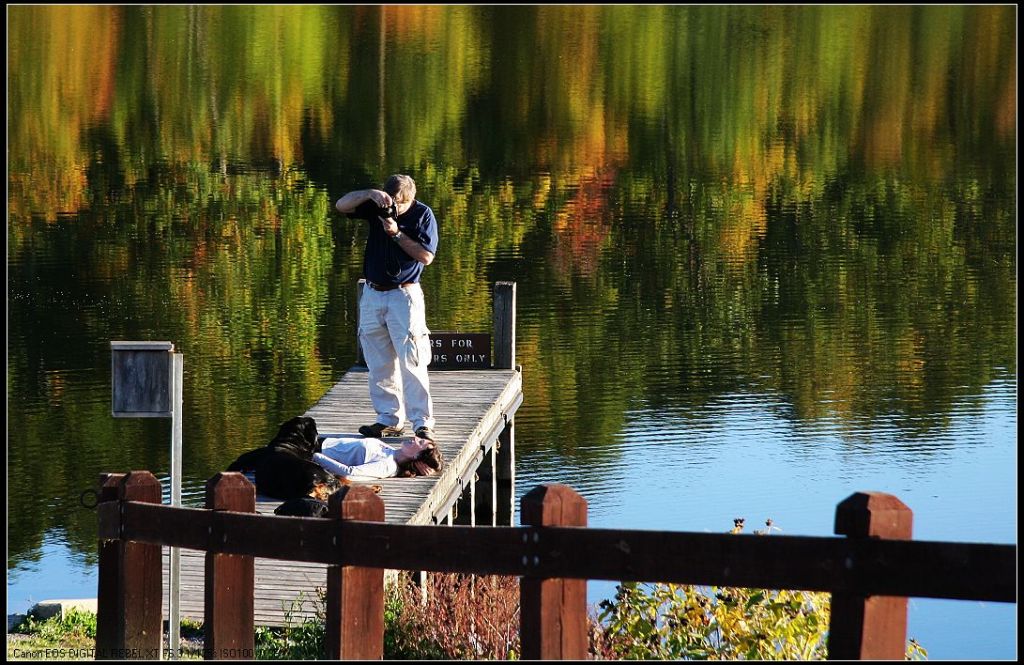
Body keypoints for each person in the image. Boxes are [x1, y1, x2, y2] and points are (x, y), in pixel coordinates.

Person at [335, 174, 438, 442]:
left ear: (410, 200)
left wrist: (396, 233)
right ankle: (388, 419)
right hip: (373, 293)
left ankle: (422, 423)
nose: (393, 209)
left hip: (404, 295)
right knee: (378, 361)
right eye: (391, 202)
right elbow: (341, 205)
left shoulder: (422, 215)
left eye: (399, 205)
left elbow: (426, 257)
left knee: (412, 361)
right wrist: (369, 193)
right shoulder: (378, 205)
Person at [312, 434, 443, 479]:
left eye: (419, 442)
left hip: (315, 451)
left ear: (416, 456)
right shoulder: (393, 452)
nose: (415, 438)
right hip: (320, 441)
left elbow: (349, 473)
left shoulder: (387, 466)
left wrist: (315, 456)